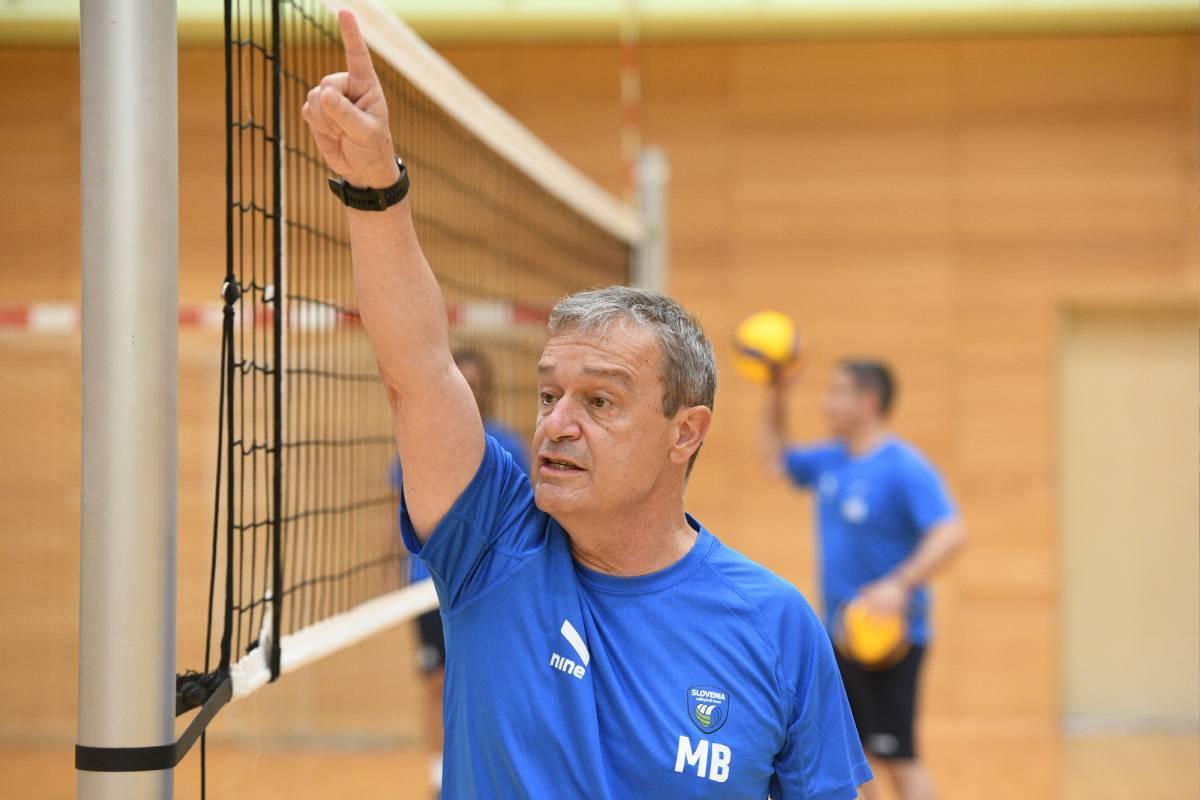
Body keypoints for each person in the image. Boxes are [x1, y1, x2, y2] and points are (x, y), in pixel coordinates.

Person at [302, 11, 872, 797]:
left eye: (600, 400)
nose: (557, 423)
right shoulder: (492, 546)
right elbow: (420, 372)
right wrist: (374, 188)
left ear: (686, 433)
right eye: (547, 394)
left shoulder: (775, 625)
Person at [763, 358, 966, 800]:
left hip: (889, 639)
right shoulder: (831, 460)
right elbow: (776, 458)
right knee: (854, 761)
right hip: (840, 636)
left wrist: (899, 584)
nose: (826, 402)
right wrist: (775, 392)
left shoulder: (903, 467)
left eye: (837, 391)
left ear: (868, 401)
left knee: (900, 759)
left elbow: (951, 532)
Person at [390, 348, 530, 797]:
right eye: (462, 381)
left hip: (490, 589)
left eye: (478, 381)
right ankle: (438, 778)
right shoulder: (420, 444)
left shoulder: (508, 444)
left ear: (488, 389)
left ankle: (488, 773)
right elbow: (396, 516)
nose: (472, 390)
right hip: (425, 587)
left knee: (487, 685)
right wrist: (391, 578)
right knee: (437, 683)